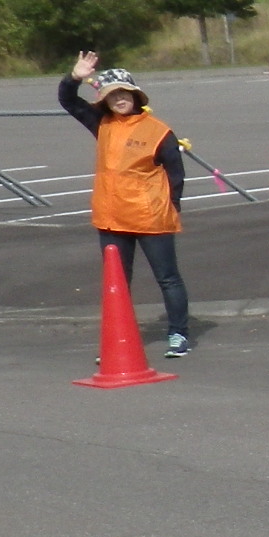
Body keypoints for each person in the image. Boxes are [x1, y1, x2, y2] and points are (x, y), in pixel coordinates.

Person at [61, 54, 192, 358]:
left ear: (134, 95)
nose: (119, 99)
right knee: (116, 282)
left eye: (124, 93)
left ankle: (178, 334)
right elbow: (68, 101)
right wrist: (75, 77)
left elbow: (176, 174)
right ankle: (117, 338)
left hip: (150, 217)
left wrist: (172, 207)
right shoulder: (101, 123)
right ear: (105, 101)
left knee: (168, 277)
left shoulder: (159, 131)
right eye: (112, 95)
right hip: (111, 217)